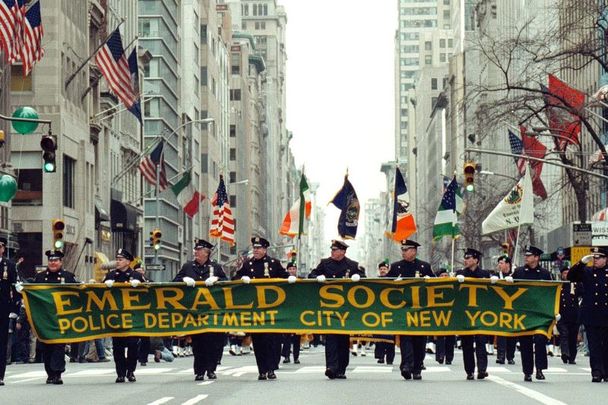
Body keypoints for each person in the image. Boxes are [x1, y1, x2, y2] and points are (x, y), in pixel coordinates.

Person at [234, 237, 291, 380]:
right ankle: (262, 370)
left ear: (265, 249)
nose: (256, 250)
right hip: (256, 310)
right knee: (258, 341)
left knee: (273, 341)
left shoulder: (274, 263)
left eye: (259, 248)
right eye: (254, 248)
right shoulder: (248, 264)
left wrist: (290, 278)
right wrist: (242, 279)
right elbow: (235, 279)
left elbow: (285, 277)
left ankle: (271, 368)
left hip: (273, 308)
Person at [309, 240, 364, 380]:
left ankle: (341, 369)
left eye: (335, 250)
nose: (332, 252)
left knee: (343, 340)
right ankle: (331, 367)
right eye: (332, 250)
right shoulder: (325, 263)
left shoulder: (352, 265)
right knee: (331, 338)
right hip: (329, 307)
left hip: (345, 308)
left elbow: (364, 278)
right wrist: (317, 277)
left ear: (343, 252)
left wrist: (358, 277)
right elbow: (311, 275)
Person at [174, 238, 227, 381]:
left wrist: (217, 279)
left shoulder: (215, 267)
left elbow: (228, 283)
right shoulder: (188, 267)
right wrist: (183, 280)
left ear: (206, 253)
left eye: (199, 251)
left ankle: (211, 369)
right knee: (198, 343)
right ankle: (199, 371)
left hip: (212, 310)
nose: (196, 253)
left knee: (213, 342)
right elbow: (174, 282)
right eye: (195, 250)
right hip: (195, 311)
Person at [384, 239, 434, 380]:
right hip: (403, 310)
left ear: (414, 251)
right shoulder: (396, 267)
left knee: (419, 341)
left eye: (406, 250)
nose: (403, 252)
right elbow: (384, 284)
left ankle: (417, 367)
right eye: (402, 250)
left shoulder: (424, 267)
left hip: (420, 311)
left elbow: (436, 286)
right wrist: (393, 283)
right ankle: (406, 365)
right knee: (406, 338)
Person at [28, 250, 78, 384]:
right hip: (44, 318)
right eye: (50, 260)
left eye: (55, 260)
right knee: (46, 345)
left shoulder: (68, 277)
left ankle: (57, 373)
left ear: (61, 262)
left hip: (61, 318)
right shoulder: (40, 277)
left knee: (59, 346)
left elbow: (78, 295)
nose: (53, 263)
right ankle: (50, 373)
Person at [510, 245, 552, 382]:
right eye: (526, 255)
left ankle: (540, 369)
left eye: (529, 256)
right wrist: (508, 280)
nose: (526, 257)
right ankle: (527, 371)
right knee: (525, 342)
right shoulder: (519, 272)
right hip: (524, 312)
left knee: (540, 339)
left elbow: (551, 293)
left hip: (540, 313)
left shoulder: (545, 274)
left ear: (536, 258)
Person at [103, 248, 144, 383]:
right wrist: (104, 285)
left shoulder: (136, 276)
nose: (118, 262)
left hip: (132, 317)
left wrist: (140, 286)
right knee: (118, 347)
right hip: (116, 317)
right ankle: (120, 373)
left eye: (120, 259)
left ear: (128, 261)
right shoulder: (110, 276)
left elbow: (148, 294)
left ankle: (130, 371)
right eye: (117, 259)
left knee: (133, 345)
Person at [567, 247, 608, 382]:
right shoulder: (588, 271)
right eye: (594, 258)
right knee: (594, 345)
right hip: (592, 314)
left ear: (605, 259)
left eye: (598, 258)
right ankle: (596, 371)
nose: (595, 260)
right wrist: (581, 263)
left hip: (606, 315)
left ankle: (606, 371)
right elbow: (571, 276)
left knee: (606, 345)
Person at [456, 248, 492, 380]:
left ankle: (482, 369)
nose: (466, 260)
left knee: (481, 341)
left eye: (469, 258)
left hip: (481, 313)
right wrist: (455, 281)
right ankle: (469, 370)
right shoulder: (460, 273)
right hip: (465, 314)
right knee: (467, 343)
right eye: (465, 258)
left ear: (476, 260)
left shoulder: (484, 274)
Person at [0, 238, 18, 386]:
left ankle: (0, 374)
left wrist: (14, 310)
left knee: (1, 341)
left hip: (2, 308)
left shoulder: (9, 265)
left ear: (3, 248)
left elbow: (14, 287)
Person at [495, 255, 516, 365]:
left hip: (512, 308)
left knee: (512, 333)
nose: (500, 265)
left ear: (508, 264)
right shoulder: (496, 276)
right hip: (500, 307)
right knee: (501, 333)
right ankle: (501, 356)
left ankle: (510, 356)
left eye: (502, 263)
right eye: (499, 263)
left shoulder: (515, 275)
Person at [374, 262, 395, 365]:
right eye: (381, 269)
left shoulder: (392, 281)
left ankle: (390, 357)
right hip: (378, 311)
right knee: (379, 336)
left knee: (390, 336)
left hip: (390, 311)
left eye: (385, 269)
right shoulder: (375, 281)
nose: (383, 270)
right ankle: (380, 356)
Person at [557, 266, 579, 365]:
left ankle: (572, 357)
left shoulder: (576, 284)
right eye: (565, 273)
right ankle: (565, 353)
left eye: (568, 273)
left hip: (574, 315)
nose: (566, 275)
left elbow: (582, 295)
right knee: (564, 333)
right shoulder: (559, 285)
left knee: (573, 336)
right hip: (562, 314)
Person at [434, 268, 455, 365]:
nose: (444, 277)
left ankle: (449, 357)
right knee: (440, 336)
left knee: (450, 337)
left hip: (451, 314)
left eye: (446, 275)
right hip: (438, 313)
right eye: (442, 275)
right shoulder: (434, 287)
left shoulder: (453, 286)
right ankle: (440, 355)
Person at [282, 262, 301, 364]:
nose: (292, 271)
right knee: (286, 336)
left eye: (294, 269)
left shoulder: (300, 281)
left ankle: (296, 356)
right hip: (287, 311)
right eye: (290, 269)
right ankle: (286, 356)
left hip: (297, 312)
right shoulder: (284, 281)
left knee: (297, 336)